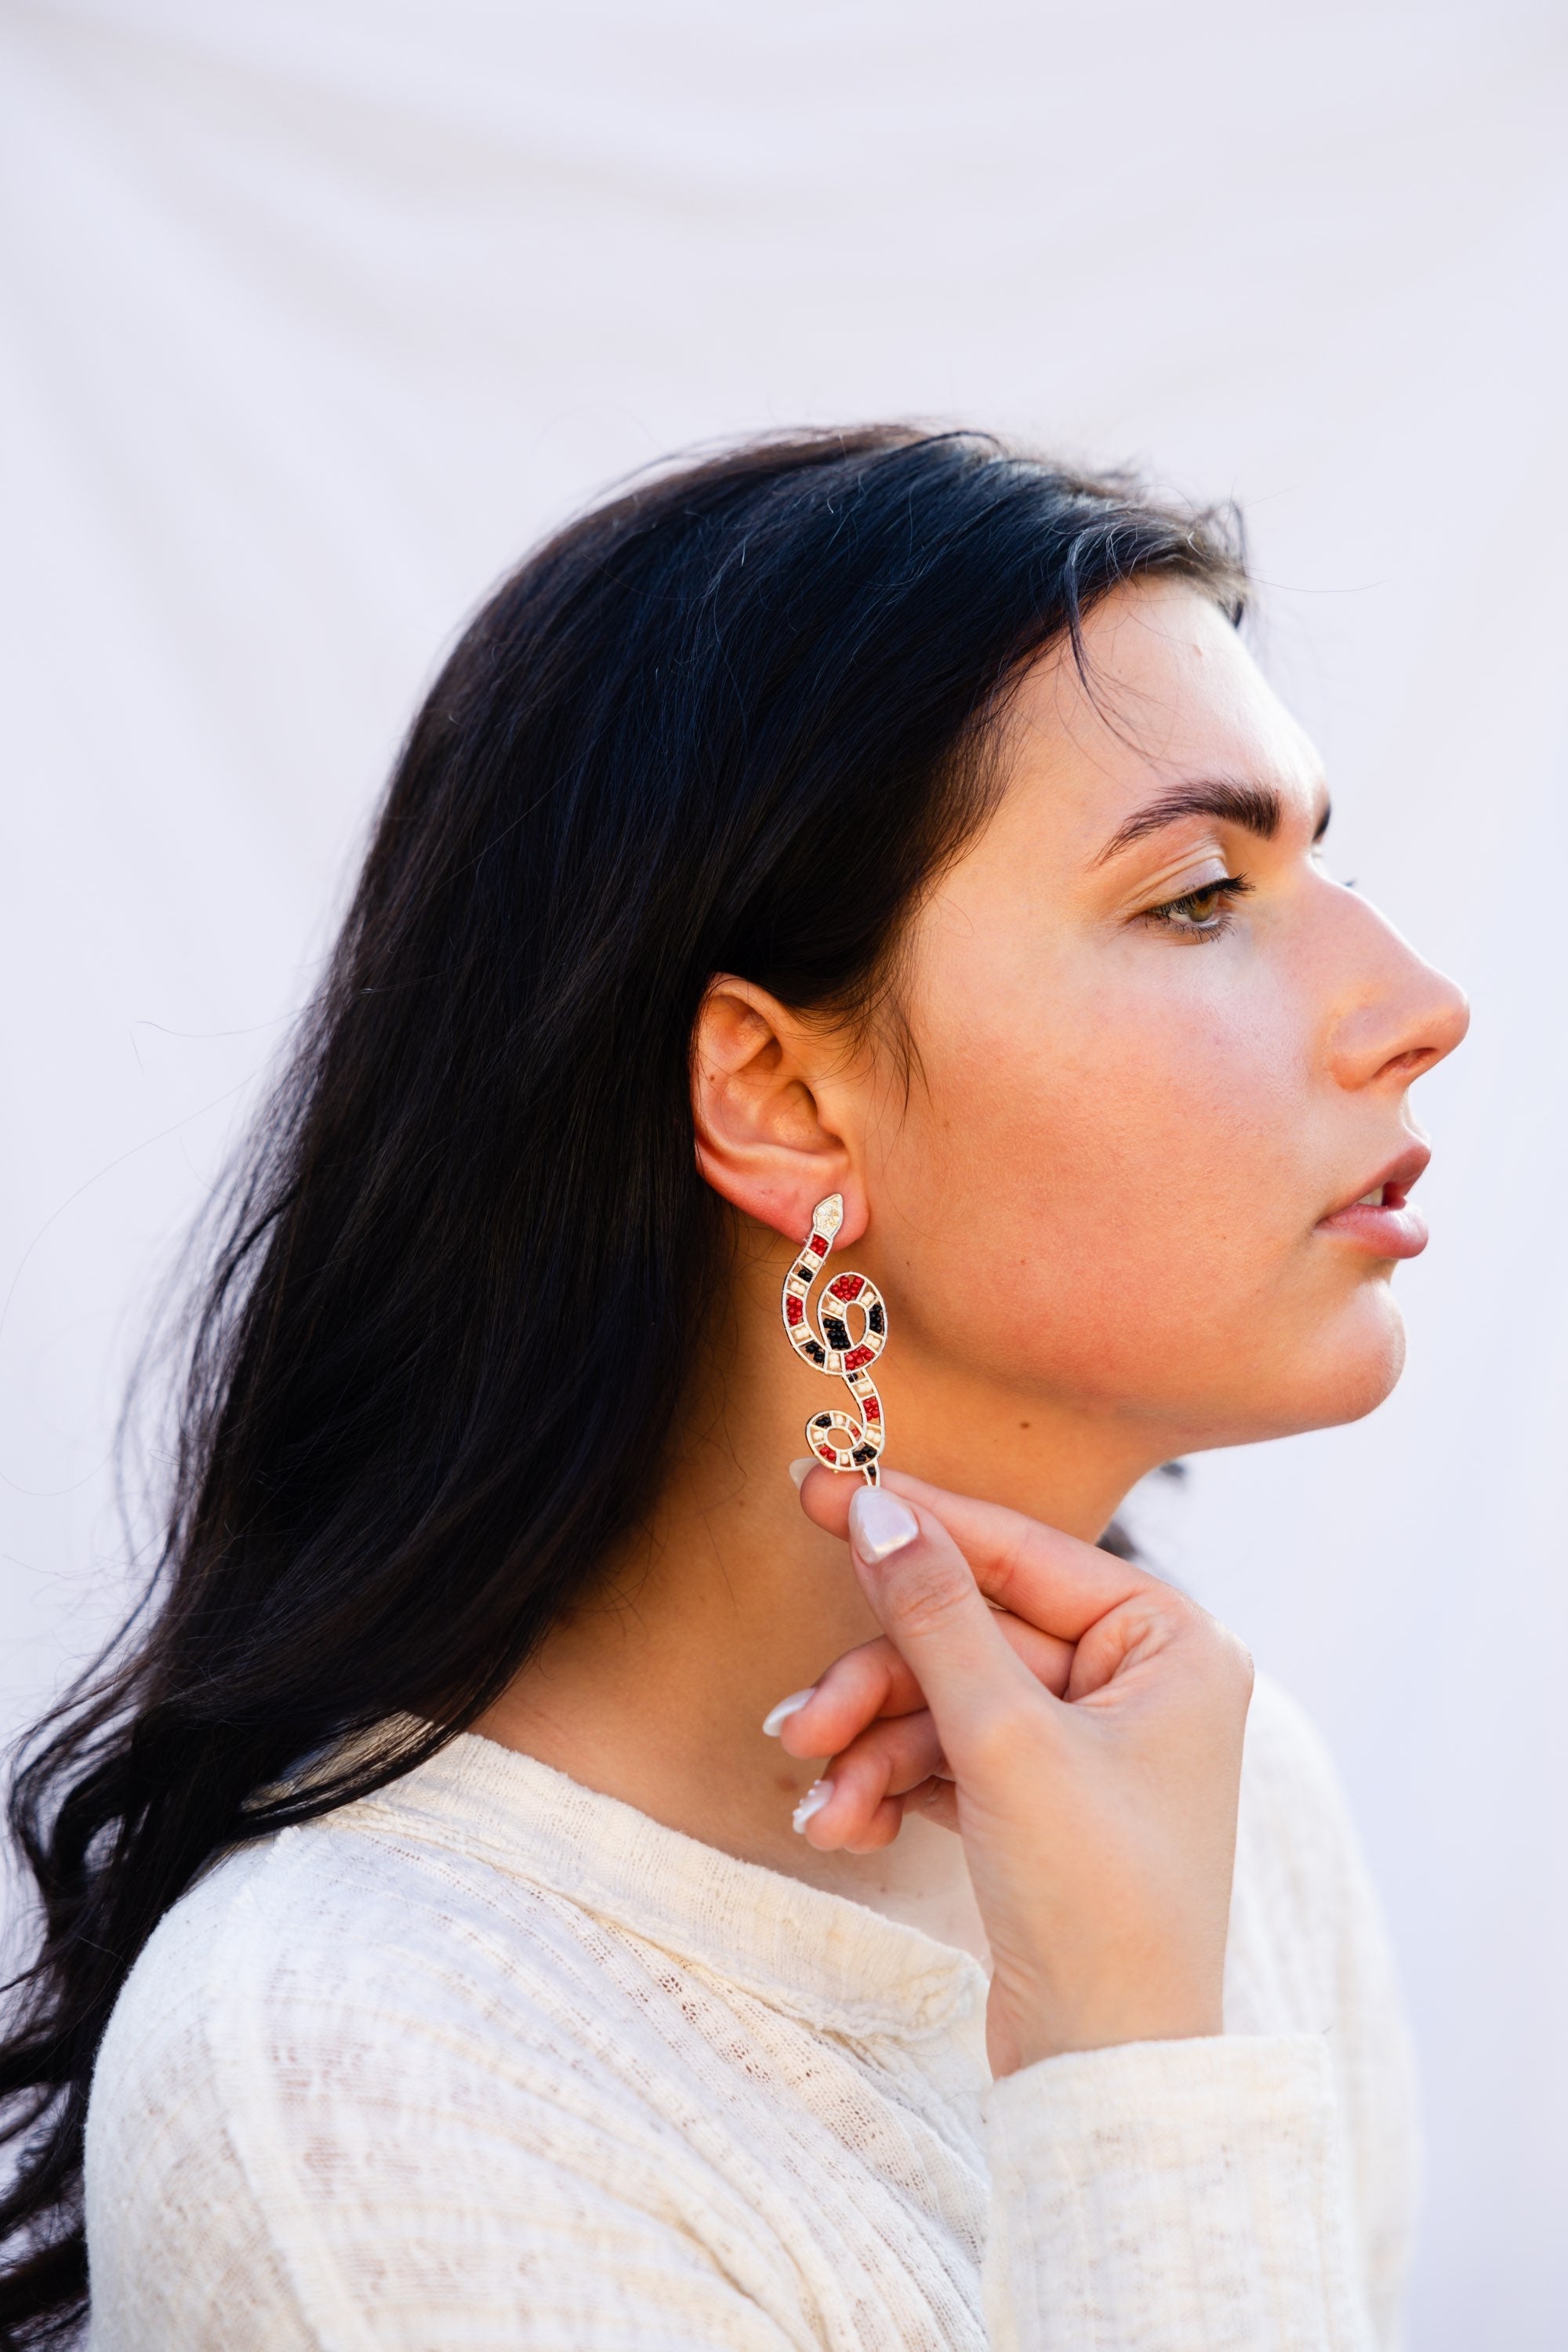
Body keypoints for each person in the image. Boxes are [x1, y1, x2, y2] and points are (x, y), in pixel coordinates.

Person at [0, 427, 1468, 2350]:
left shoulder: (1219, 1794)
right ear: (778, 1098)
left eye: (1317, 861)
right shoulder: (363, 2067)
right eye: (1199, 893)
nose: (1418, 1002)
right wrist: (1130, 2070)